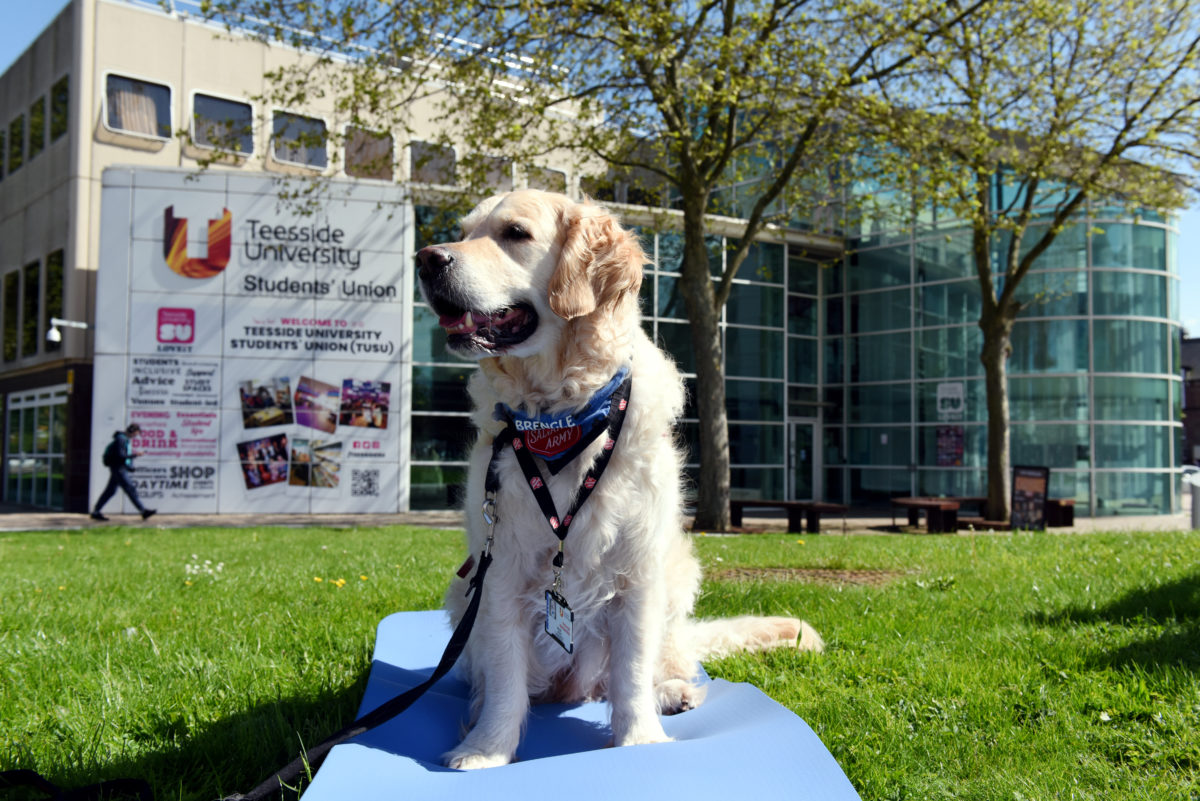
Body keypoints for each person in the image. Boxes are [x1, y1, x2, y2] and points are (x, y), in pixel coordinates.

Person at [91, 423, 156, 521]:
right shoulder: (121, 439)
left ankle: (96, 512)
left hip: (119, 468)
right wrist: (136, 455)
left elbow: (122, 456)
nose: (135, 436)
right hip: (119, 469)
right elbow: (120, 456)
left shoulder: (122, 439)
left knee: (110, 491)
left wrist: (130, 466)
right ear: (133, 431)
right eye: (136, 434)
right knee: (130, 488)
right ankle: (143, 511)